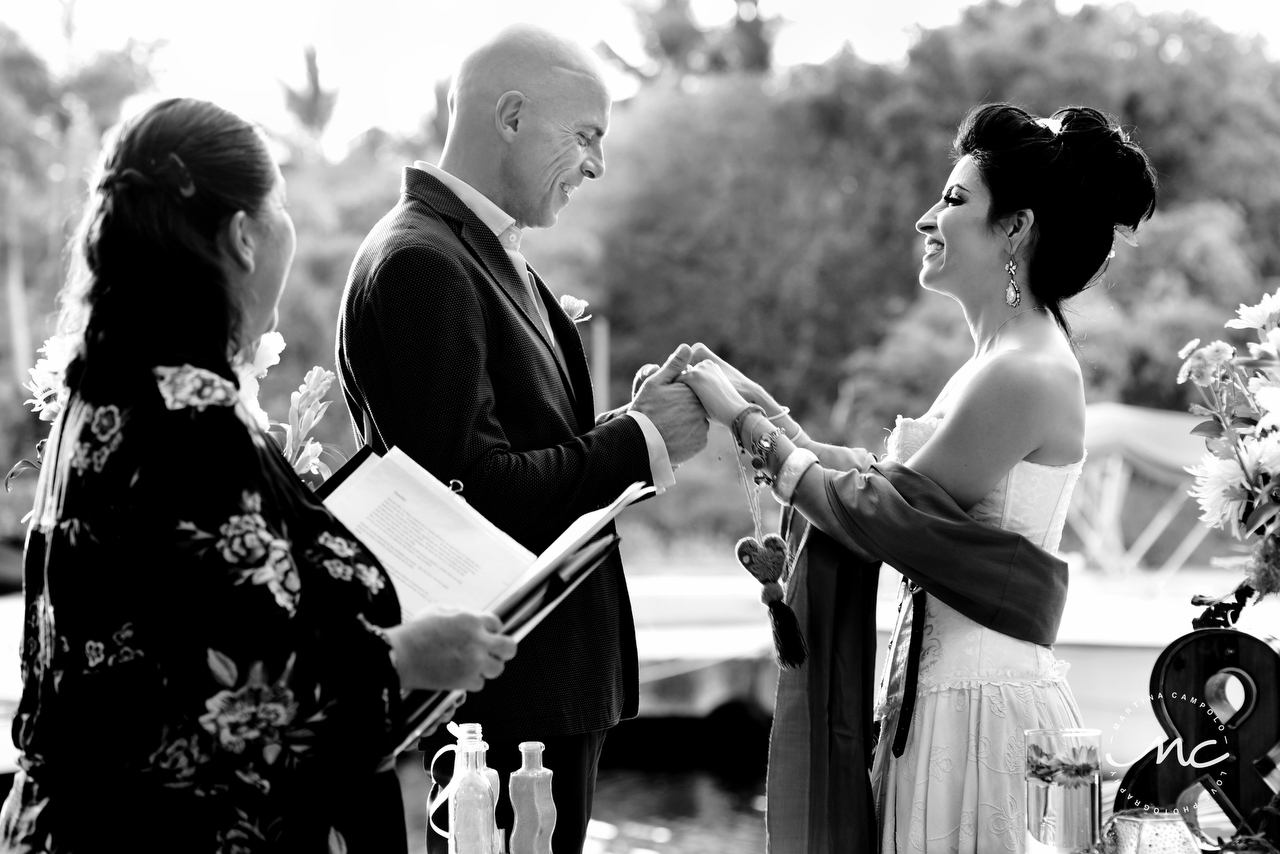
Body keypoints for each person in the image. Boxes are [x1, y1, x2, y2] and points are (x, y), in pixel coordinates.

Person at [0, 98, 516, 854]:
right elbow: (240, 685)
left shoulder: (101, 394)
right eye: (277, 205)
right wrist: (406, 657)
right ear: (243, 236)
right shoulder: (189, 416)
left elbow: (179, 625)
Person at [679, 103, 1158, 853]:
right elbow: (878, 486)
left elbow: (882, 512)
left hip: (980, 714)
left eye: (955, 199)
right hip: (936, 703)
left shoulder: (1024, 371)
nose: (925, 218)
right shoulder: (993, 364)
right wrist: (748, 405)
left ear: (1015, 228)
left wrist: (748, 428)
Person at [335, 24, 709, 854]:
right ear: (510, 117)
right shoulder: (420, 262)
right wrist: (642, 441)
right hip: (505, 706)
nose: (597, 164)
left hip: (548, 691)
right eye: (586, 136)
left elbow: (524, 448)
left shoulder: (488, 255)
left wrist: (623, 427)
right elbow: (469, 495)